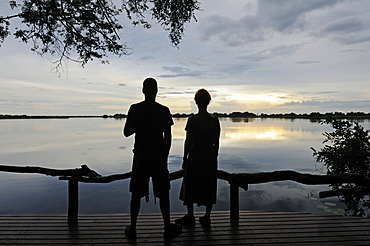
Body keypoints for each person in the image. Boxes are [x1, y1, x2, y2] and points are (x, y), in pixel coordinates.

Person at [123, 77, 182, 238]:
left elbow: (126, 132)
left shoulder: (135, 109)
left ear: (143, 90)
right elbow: (168, 137)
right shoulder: (163, 110)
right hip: (158, 157)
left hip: (141, 156)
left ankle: (133, 228)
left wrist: (139, 123)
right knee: (164, 193)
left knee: (136, 193)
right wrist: (165, 155)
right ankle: (167, 227)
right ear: (156, 91)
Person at [176, 88, 221, 227]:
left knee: (190, 185)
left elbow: (188, 141)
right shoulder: (214, 120)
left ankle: (190, 216)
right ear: (208, 102)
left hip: (195, 156)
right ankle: (207, 217)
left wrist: (184, 158)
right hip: (209, 157)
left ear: (196, 102)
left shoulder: (192, 120)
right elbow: (217, 142)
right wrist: (214, 155)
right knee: (209, 184)